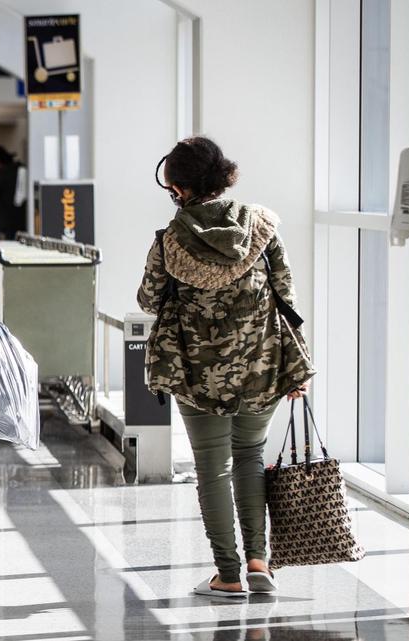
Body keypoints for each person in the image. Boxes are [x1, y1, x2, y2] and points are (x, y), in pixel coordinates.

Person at [137, 136, 314, 599]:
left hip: (198, 374)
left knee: (211, 469)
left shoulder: (171, 240)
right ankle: (260, 564)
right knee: (251, 458)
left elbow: (149, 300)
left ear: (178, 186)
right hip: (261, 367)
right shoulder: (262, 226)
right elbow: (286, 296)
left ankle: (228, 575)